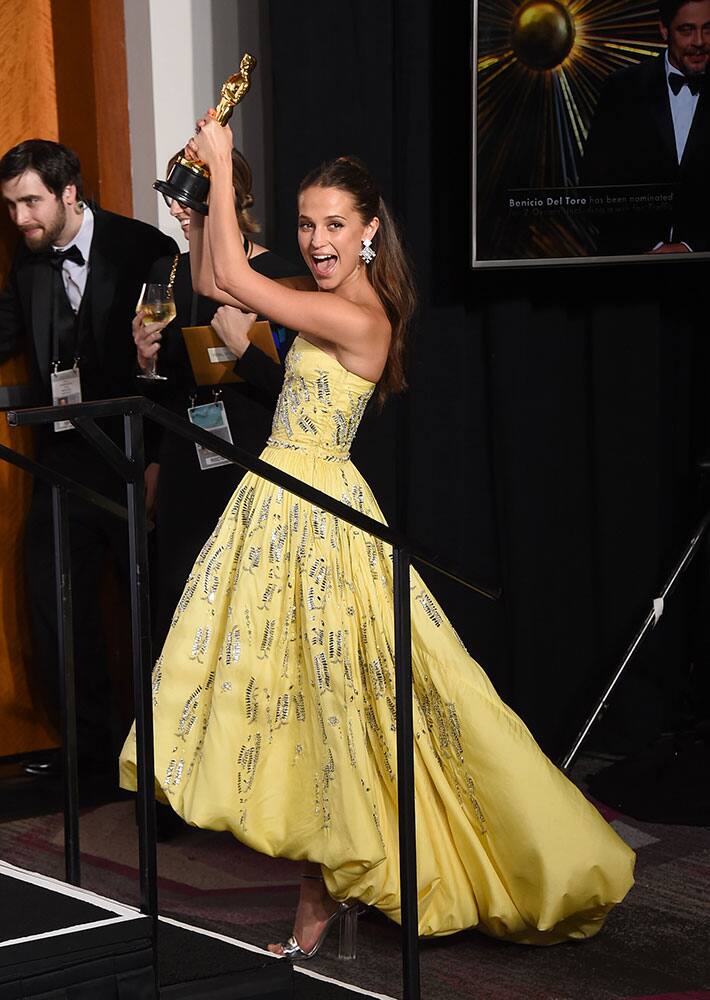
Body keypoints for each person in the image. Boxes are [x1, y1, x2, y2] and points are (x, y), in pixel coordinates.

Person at [121, 119, 634, 957]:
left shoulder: (365, 320)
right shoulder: (327, 310)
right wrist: (214, 202)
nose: (317, 241)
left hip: (320, 516)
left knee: (360, 706)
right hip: (273, 507)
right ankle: (329, 884)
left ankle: (332, 894)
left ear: (368, 231)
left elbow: (227, 277)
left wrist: (216, 168)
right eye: (305, 223)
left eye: (333, 225)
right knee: (292, 700)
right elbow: (223, 285)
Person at [0, 139, 177, 784]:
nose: (20, 219)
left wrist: (159, 461)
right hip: (66, 457)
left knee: (150, 605)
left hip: (134, 453)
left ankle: (163, 761)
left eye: (30, 203)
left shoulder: (142, 248)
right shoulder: (27, 268)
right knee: (54, 599)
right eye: (12, 206)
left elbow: (174, 366)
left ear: (69, 193)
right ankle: (92, 757)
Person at [134, 147, 309, 649]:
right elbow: (156, 387)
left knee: (247, 606)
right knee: (179, 597)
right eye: (172, 194)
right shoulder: (165, 271)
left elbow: (291, 393)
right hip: (184, 460)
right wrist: (144, 362)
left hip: (251, 457)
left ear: (231, 197)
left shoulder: (280, 277)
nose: (176, 209)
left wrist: (241, 350)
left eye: (188, 194)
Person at [582, 0, 710, 255]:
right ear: (664, 30)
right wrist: (651, 248)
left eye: (708, 29)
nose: (699, 41)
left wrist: (690, 247)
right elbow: (594, 187)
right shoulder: (621, 89)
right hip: (630, 268)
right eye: (686, 30)